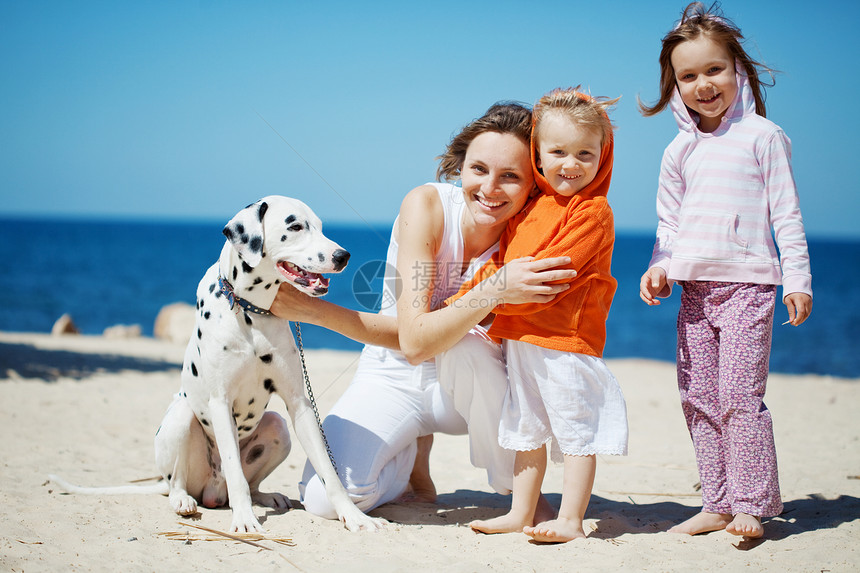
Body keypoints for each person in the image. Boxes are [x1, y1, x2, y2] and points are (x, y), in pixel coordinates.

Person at [269, 102, 575, 520]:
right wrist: (496, 288)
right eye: (479, 169)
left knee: (465, 347)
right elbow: (413, 343)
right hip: (393, 375)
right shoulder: (427, 206)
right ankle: (409, 458)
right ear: (460, 165)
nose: (490, 188)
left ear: (533, 184)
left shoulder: (534, 235)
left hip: (473, 389)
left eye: (511, 176)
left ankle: (520, 494)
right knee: (326, 500)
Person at [638, 2, 813, 538]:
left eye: (713, 70)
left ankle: (752, 504)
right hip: (694, 290)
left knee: (739, 395)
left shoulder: (763, 137)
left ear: (737, 68)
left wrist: (797, 280)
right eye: (688, 76)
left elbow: (786, 212)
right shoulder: (677, 151)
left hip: (749, 286)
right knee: (697, 397)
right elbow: (669, 224)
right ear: (674, 85)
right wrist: (660, 267)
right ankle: (715, 501)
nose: (703, 84)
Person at [451, 88, 628, 543]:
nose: (571, 163)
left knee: (574, 432)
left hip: (566, 344)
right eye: (558, 152)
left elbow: (554, 277)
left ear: (602, 156)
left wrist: (499, 298)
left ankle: (570, 518)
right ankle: (520, 510)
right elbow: (500, 268)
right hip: (522, 341)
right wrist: (466, 302)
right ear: (538, 156)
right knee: (523, 427)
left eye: (585, 153)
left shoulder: (594, 211)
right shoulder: (528, 210)